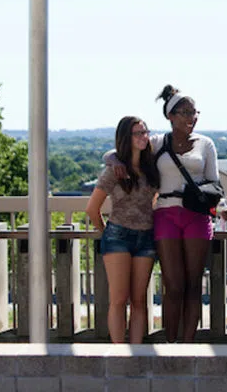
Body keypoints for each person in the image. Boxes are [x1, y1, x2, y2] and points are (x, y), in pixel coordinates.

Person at [107, 85, 220, 343]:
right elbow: (120, 152)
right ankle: (171, 343)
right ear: (171, 116)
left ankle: (188, 343)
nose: (191, 117)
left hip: (197, 215)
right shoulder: (158, 142)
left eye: (194, 113)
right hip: (165, 214)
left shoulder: (206, 144)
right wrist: (114, 162)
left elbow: (215, 181)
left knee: (193, 285)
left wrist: (219, 206)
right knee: (173, 284)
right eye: (185, 112)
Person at [85, 116, 160, 343]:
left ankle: (135, 354)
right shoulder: (114, 171)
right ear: (126, 137)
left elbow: (153, 201)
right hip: (118, 236)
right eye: (137, 133)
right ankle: (118, 355)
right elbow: (92, 209)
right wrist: (106, 231)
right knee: (118, 299)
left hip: (146, 237)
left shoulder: (151, 168)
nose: (143, 137)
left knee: (139, 301)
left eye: (145, 132)